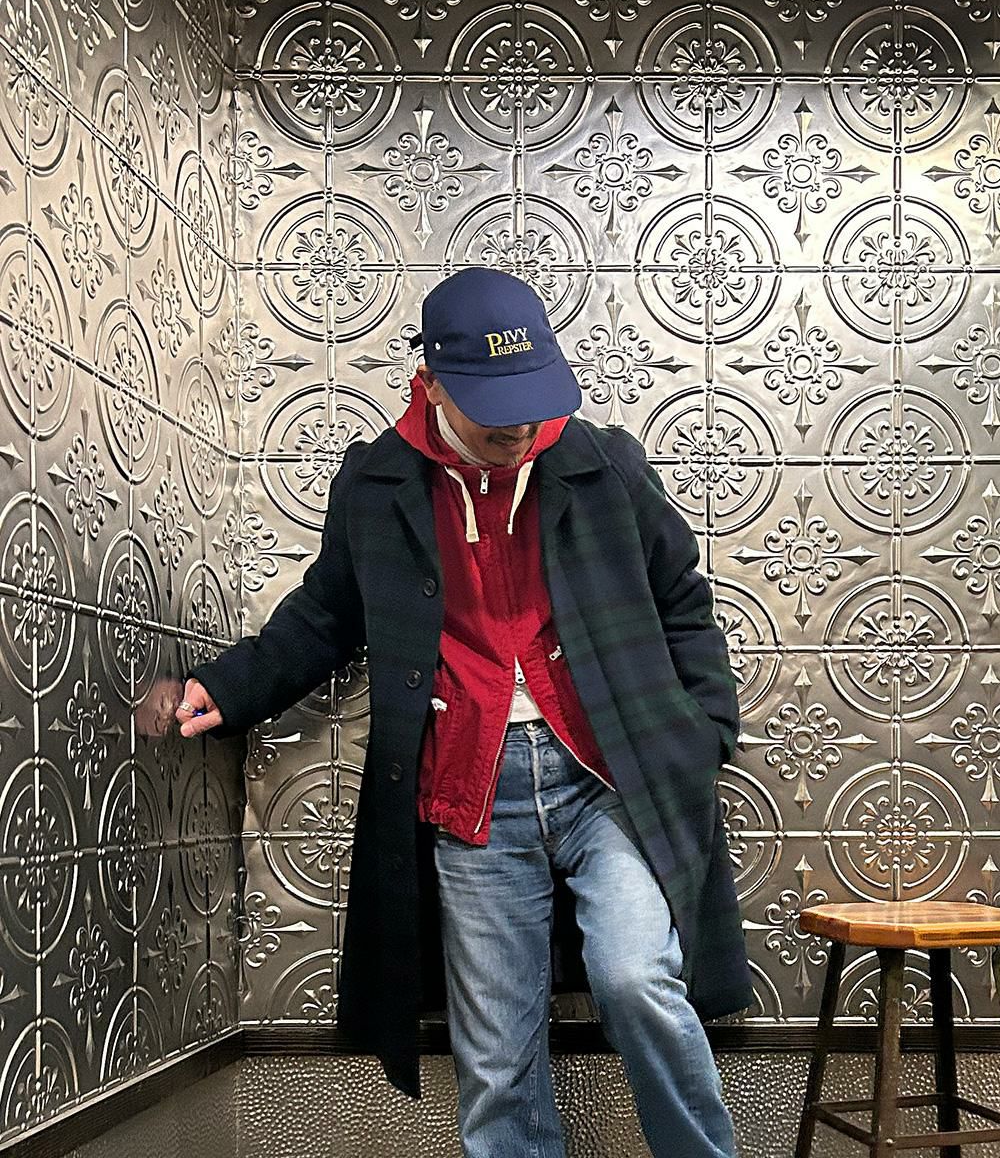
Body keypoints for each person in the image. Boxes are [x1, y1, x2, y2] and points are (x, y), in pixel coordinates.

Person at [177, 266, 752, 1157]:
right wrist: (233, 687)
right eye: (495, 413)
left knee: (637, 978)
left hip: (609, 778)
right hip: (470, 789)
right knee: (495, 1054)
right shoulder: (379, 483)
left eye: (531, 405)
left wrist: (705, 729)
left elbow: (681, 593)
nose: (518, 431)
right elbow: (327, 614)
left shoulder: (603, 464)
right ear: (433, 383)